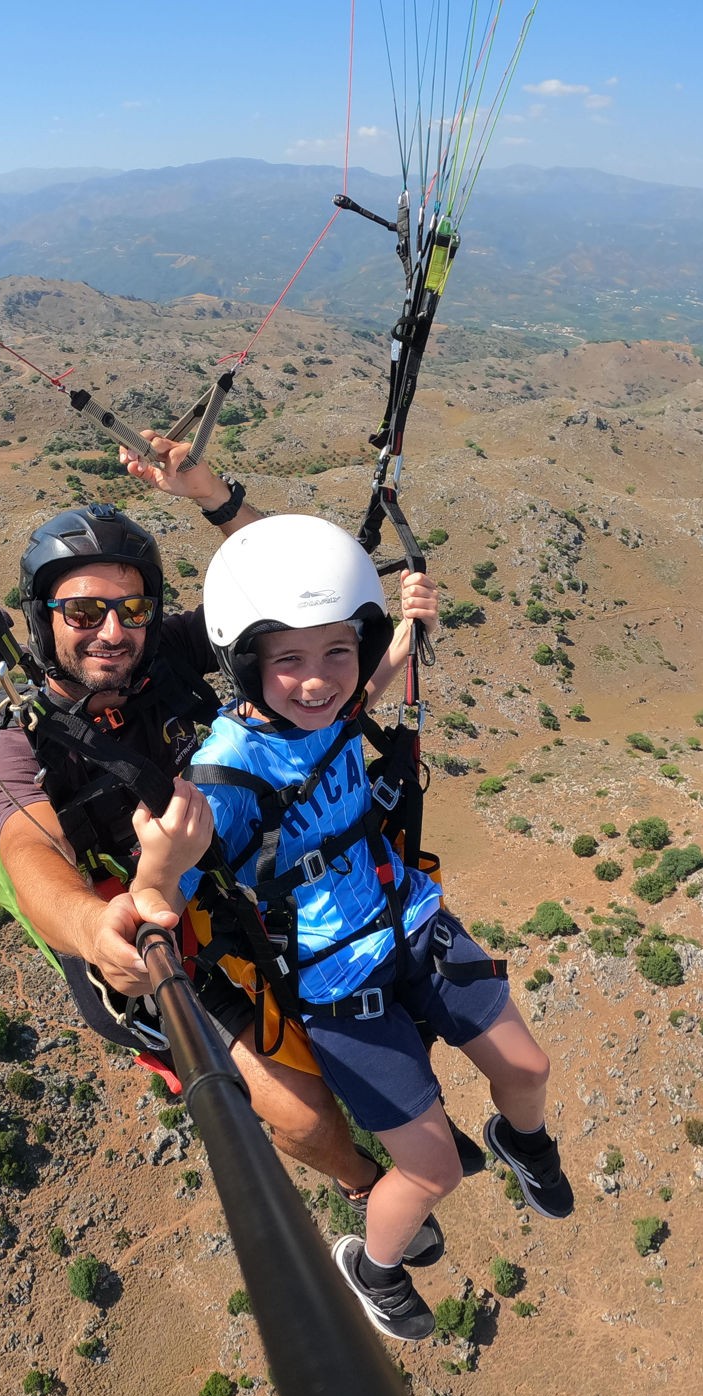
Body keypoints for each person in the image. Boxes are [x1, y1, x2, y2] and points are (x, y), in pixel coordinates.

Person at [0, 438, 435, 1253]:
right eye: (83, 613)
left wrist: (213, 496)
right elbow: (27, 853)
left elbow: (302, 595)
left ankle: (406, 1138)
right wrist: (91, 929)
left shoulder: (170, 657)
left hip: (252, 872)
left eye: (132, 609)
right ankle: (362, 1184)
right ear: (42, 620)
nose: (112, 632)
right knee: (296, 1109)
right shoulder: (24, 744)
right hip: (161, 934)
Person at [129, 513, 572, 1342]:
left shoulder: (328, 705)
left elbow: (365, 682)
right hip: (336, 982)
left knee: (528, 1067)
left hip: (410, 918)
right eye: (288, 659)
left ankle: (522, 1143)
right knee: (431, 1169)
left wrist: (409, 623)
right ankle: (374, 1266)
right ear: (244, 663)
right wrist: (157, 869)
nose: (317, 680)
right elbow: (151, 907)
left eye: (337, 652)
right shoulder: (221, 778)